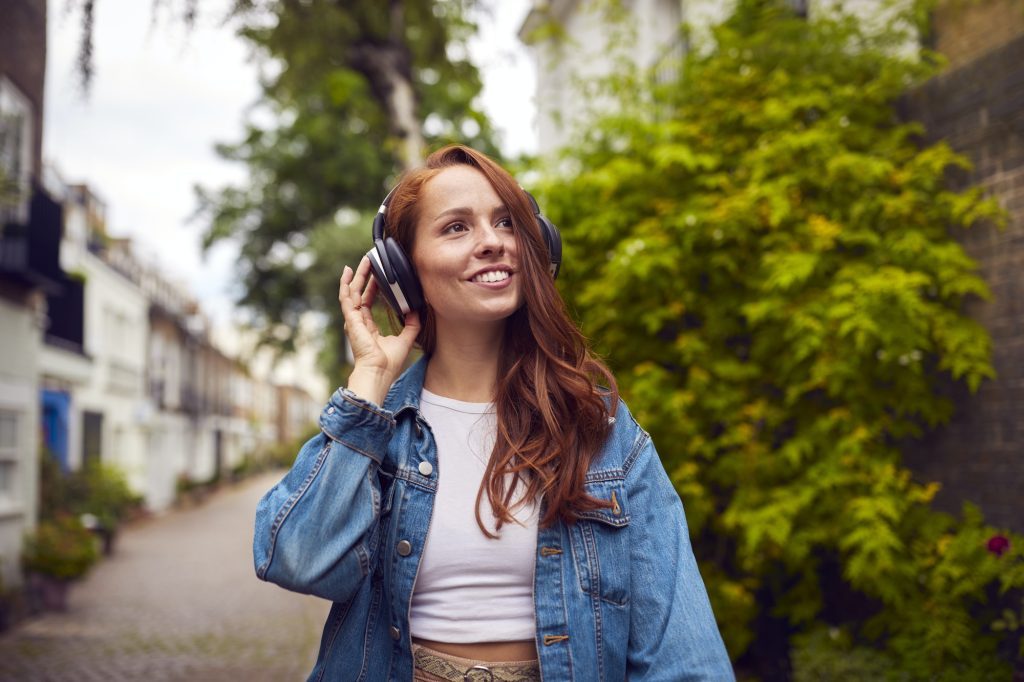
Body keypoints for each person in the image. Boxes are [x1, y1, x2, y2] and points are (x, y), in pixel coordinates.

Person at [253, 145, 734, 681]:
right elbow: (297, 559)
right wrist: (367, 386)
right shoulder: (376, 430)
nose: (492, 242)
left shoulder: (603, 433)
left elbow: (683, 655)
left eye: (505, 222)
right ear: (404, 271)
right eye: (456, 227)